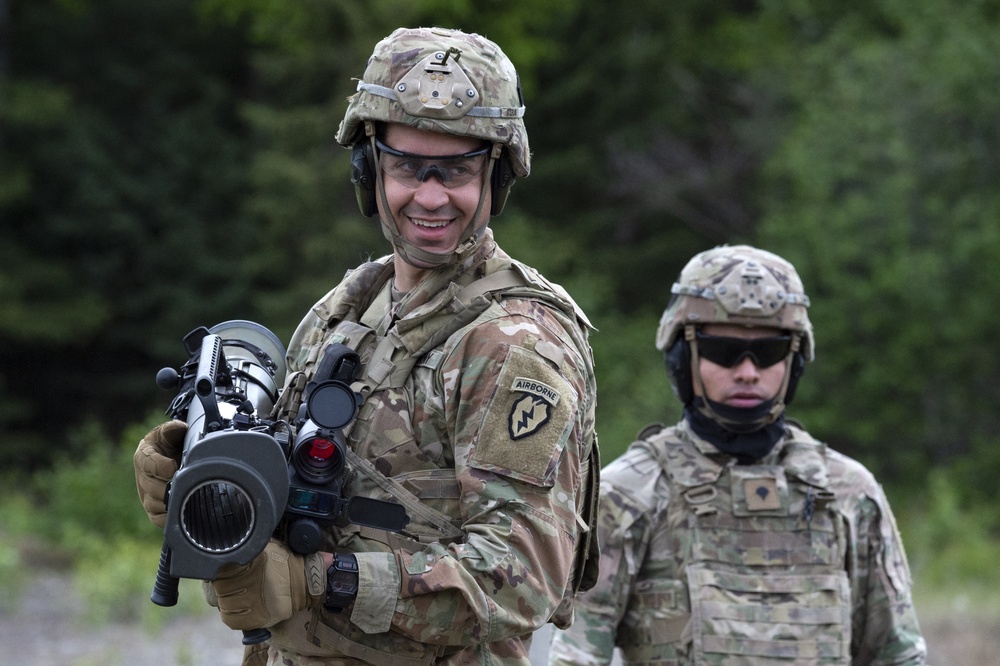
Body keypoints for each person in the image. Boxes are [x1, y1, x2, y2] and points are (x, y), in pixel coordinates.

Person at [134, 27, 600, 666]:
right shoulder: (349, 307)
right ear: (368, 168)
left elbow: (520, 577)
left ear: (496, 177)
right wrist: (207, 476)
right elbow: (293, 497)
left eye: (457, 170)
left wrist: (320, 581)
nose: (431, 197)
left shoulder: (514, 345)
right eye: (408, 167)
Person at [548, 245, 928, 665]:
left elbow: (898, 654)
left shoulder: (846, 493)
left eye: (768, 353)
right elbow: (576, 655)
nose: (748, 371)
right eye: (724, 351)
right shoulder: (630, 494)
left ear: (795, 359)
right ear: (682, 356)